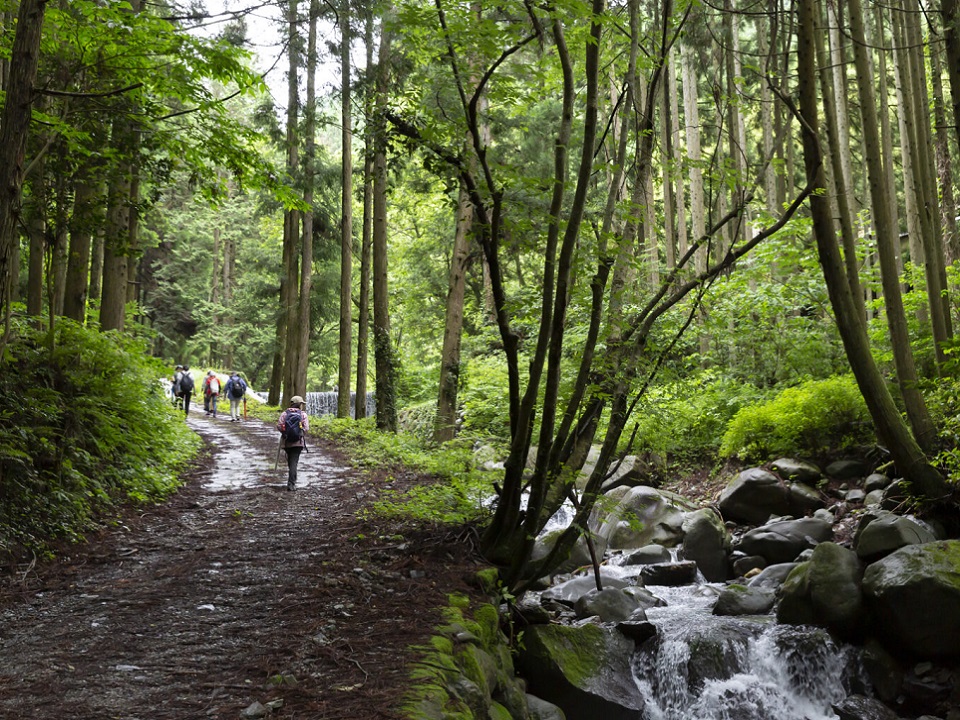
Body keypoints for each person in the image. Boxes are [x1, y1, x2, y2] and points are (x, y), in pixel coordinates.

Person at [277, 396, 308, 491]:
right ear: (299, 404)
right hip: (298, 442)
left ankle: (291, 481)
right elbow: (306, 428)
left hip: (286, 442)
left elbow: (279, 426)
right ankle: (291, 483)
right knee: (294, 462)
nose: (302, 405)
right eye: (301, 404)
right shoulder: (303, 415)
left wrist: (286, 432)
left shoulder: (284, 414)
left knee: (291, 461)